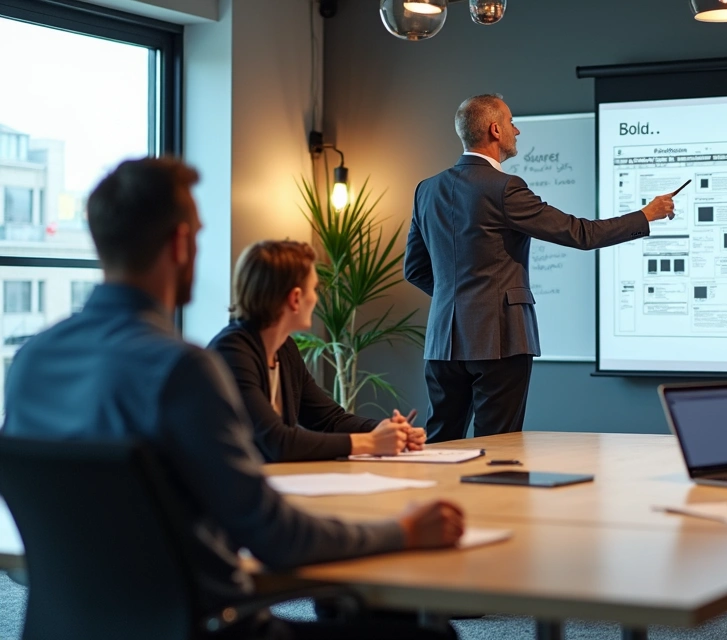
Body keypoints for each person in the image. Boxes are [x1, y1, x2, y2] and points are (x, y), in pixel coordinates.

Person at [2, 158, 463, 639]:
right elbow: (274, 536)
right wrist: (403, 531)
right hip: (211, 628)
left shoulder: (32, 361)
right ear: (181, 243)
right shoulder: (181, 369)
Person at [404, 93, 676, 442]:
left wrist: (457, 299)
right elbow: (581, 234)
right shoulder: (504, 188)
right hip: (500, 339)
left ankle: (439, 500)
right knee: (497, 446)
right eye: (512, 123)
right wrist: (645, 215)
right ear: (495, 130)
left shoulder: (427, 190)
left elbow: (414, 269)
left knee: (441, 442)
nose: (518, 130)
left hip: (443, 340)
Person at [209, 240, 426, 462]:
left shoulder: (284, 349)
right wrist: (371, 442)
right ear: (295, 298)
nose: (315, 297)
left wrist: (384, 430)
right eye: (313, 289)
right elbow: (275, 442)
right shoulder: (231, 353)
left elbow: (329, 420)